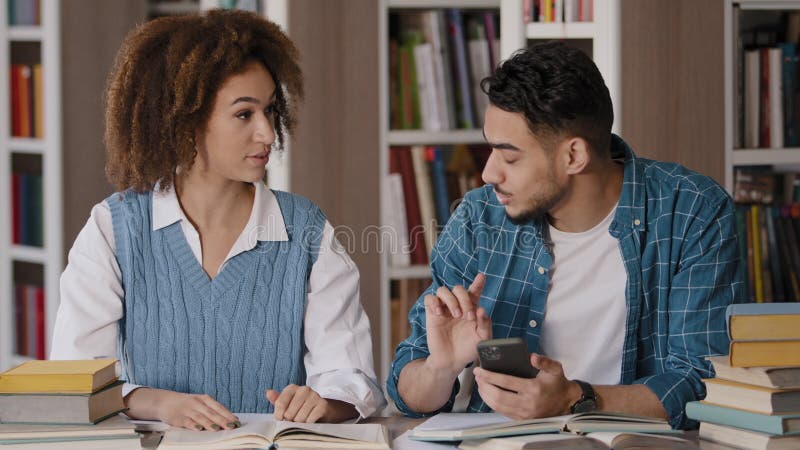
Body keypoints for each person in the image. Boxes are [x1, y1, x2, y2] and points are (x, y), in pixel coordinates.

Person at [51, 9, 385, 430]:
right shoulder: (112, 229)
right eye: (244, 114)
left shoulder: (307, 230)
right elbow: (75, 376)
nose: (266, 133)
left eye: (269, 111)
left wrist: (321, 401)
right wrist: (156, 402)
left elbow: (353, 380)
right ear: (185, 122)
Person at [387, 41, 743, 430]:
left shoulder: (692, 212)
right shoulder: (478, 218)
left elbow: (703, 383)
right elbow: (407, 390)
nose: (489, 174)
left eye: (509, 157)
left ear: (574, 156)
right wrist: (441, 367)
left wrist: (575, 399)